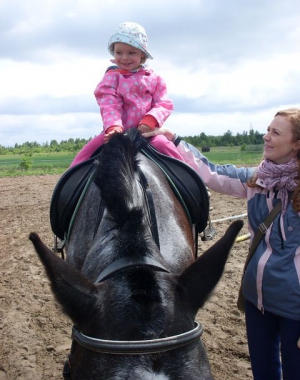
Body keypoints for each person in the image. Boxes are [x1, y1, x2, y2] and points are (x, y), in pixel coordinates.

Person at [143, 108, 300, 380]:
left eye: (275, 133)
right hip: (257, 300)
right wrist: (175, 140)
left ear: (296, 144)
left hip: (296, 308)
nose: (266, 137)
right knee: (264, 374)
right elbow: (213, 174)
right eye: (267, 130)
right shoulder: (257, 180)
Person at [70, 21, 183, 167]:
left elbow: (163, 103)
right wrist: (113, 127)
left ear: (142, 53)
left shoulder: (154, 79)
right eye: (119, 52)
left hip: (147, 134)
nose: (124, 58)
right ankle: (65, 185)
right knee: (87, 152)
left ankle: (193, 184)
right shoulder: (111, 78)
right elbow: (109, 104)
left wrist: (150, 120)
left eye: (131, 53)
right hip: (115, 134)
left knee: (167, 148)